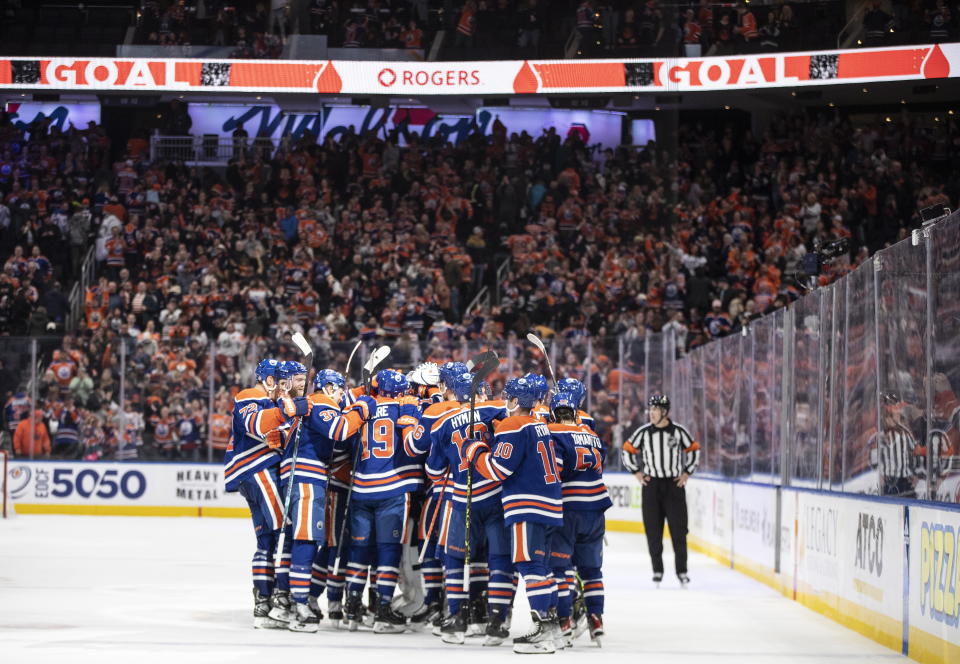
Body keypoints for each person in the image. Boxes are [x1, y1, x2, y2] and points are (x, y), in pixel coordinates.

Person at [465, 374, 564, 654]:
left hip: (526, 505)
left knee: (529, 565)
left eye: (509, 395)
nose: (505, 399)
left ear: (516, 400)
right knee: (542, 568)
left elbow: (498, 470)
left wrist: (474, 451)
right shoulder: (539, 424)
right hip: (550, 504)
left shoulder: (512, 424)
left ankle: (542, 630)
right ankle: (553, 629)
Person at [421, 371, 509, 645]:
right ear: (481, 393)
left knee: (456, 559)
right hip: (495, 496)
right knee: (498, 559)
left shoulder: (442, 424)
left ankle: (457, 619)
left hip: (462, 499)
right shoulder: (497, 410)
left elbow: (434, 471)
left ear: (453, 395)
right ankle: (494, 620)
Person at [223, 358, 310, 629]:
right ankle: (279, 599)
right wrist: (290, 410)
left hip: (253, 472)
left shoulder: (271, 402)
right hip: (256, 469)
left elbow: (276, 434)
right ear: (269, 380)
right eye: (280, 381)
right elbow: (257, 423)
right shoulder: (250, 395)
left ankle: (263, 601)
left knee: (267, 540)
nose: (284, 387)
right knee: (285, 530)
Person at [282, 365, 366, 632]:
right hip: (306, 477)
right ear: (329, 388)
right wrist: (361, 410)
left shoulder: (312, 403)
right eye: (339, 391)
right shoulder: (320, 401)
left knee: (308, 541)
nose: (341, 397)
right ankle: (299, 604)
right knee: (306, 540)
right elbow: (341, 429)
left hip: (307, 476)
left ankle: (289, 599)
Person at [341, 369, 421, 633]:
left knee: (358, 551)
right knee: (388, 552)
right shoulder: (403, 407)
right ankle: (383, 612)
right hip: (391, 490)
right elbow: (415, 445)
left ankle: (351, 609)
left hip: (360, 489)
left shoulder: (362, 406)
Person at [548, 392, 609, 646]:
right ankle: (596, 619)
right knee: (592, 570)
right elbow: (600, 463)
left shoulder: (553, 433)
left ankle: (564, 620)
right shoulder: (591, 435)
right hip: (596, 509)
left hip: (568, 509)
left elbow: (556, 470)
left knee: (560, 569)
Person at [622, 394, 700, 587]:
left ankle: (682, 571)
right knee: (653, 531)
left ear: (664, 412)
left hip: (674, 486)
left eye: (656, 409)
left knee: (679, 531)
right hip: (652, 487)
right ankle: (657, 570)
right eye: (650, 409)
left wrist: (687, 473)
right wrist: (637, 473)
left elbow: (694, 449)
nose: (652, 413)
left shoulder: (679, 432)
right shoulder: (643, 432)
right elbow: (627, 450)